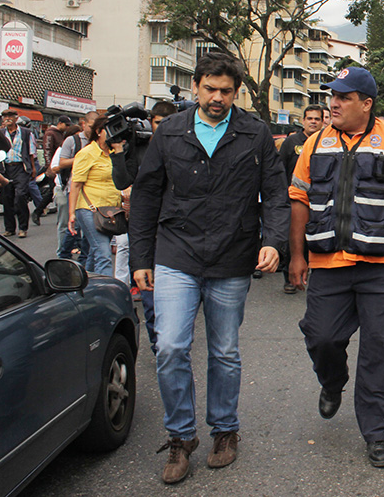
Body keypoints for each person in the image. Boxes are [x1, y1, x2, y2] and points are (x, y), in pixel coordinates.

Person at [129, 53, 289, 485]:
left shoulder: (255, 134)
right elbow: (145, 197)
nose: (217, 98)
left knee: (224, 352)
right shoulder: (170, 132)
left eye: (226, 91)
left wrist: (273, 241)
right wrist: (140, 260)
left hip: (231, 258)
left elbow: (275, 194)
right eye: (210, 89)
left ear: (236, 92)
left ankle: (224, 431)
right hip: (176, 254)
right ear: (196, 87)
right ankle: (181, 437)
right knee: (170, 347)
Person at [288, 67, 384, 469]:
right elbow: (299, 198)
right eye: (332, 96)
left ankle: (377, 433)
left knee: (382, 349)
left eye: (344, 97)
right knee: (320, 337)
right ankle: (333, 382)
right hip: (328, 264)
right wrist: (297, 255)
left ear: (366, 103)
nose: (333, 103)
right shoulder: (314, 143)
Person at [111, 99, 178, 352]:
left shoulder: (184, 147)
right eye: (158, 123)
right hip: (144, 230)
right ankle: (158, 344)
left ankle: (172, 341)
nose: (162, 128)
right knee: (150, 298)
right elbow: (122, 181)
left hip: (175, 233)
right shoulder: (139, 148)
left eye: (167, 123)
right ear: (151, 123)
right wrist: (118, 151)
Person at [278, 105, 324, 294]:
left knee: (312, 239)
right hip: (294, 198)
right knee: (293, 238)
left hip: (319, 201)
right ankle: (289, 277)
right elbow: (279, 169)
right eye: (310, 118)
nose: (313, 122)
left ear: (322, 121)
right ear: (303, 121)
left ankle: (309, 274)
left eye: (317, 119)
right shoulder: (291, 142)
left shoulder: (326, 142)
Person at [68, 116, 122, 277]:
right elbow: (76, 185)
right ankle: (105, 294)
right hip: (89, 210)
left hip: (111, 212)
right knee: (104, 254)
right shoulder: (86, 153)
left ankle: (85, 285)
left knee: (95, 251)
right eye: (109, 130)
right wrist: (71, 214)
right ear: (98, 132)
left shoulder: (116, 153)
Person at [54, 111, 97, 264]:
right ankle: (64, 257)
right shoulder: (72, 141)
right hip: (75, 188)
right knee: (74, 225)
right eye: (91, 126)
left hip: (93, 190)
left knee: (90, 229)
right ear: (83, 124)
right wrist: (82, 158)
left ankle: (84, 261)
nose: (93, 130)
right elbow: (62, 163)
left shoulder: (99, 142)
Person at [0, 109, 38, 238]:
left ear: (16, 118)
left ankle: (23, 227)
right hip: (5, 168)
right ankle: (10, 228)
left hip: (20, 168)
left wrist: (32, 169)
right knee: (6, 198)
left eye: (10, 116)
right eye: (5, 117)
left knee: (20, 196)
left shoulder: (26, 133)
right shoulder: (0, 133)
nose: (7, 119)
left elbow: (31, 152)